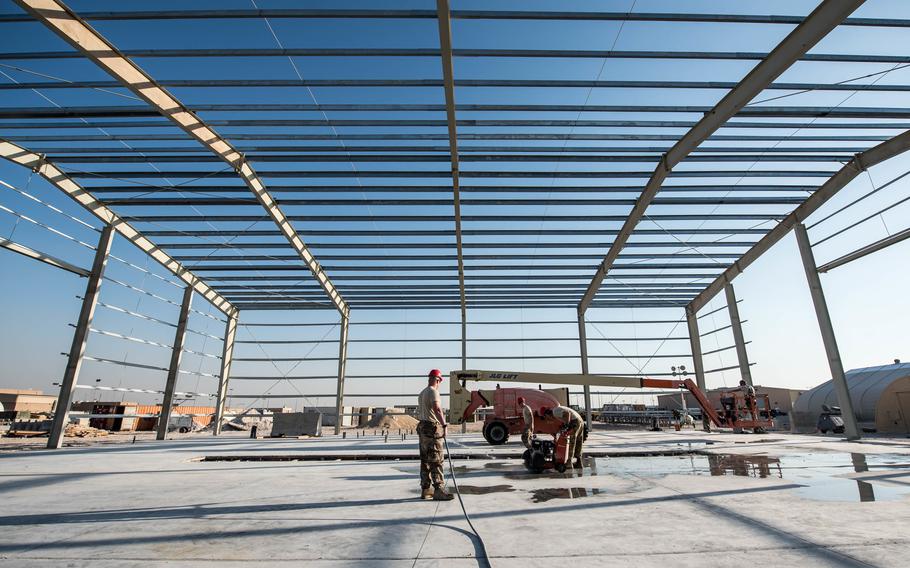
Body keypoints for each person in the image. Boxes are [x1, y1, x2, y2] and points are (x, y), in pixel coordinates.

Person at [417, 369, 454, 501]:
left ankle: (426, 490)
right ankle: (439, 490)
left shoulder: (422, 393)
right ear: (438, 380)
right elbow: (437, 409)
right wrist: (444, 425)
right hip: (432, 428)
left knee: (425, 460)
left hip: (422, 428)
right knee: (437, 459)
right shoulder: (434, 392)